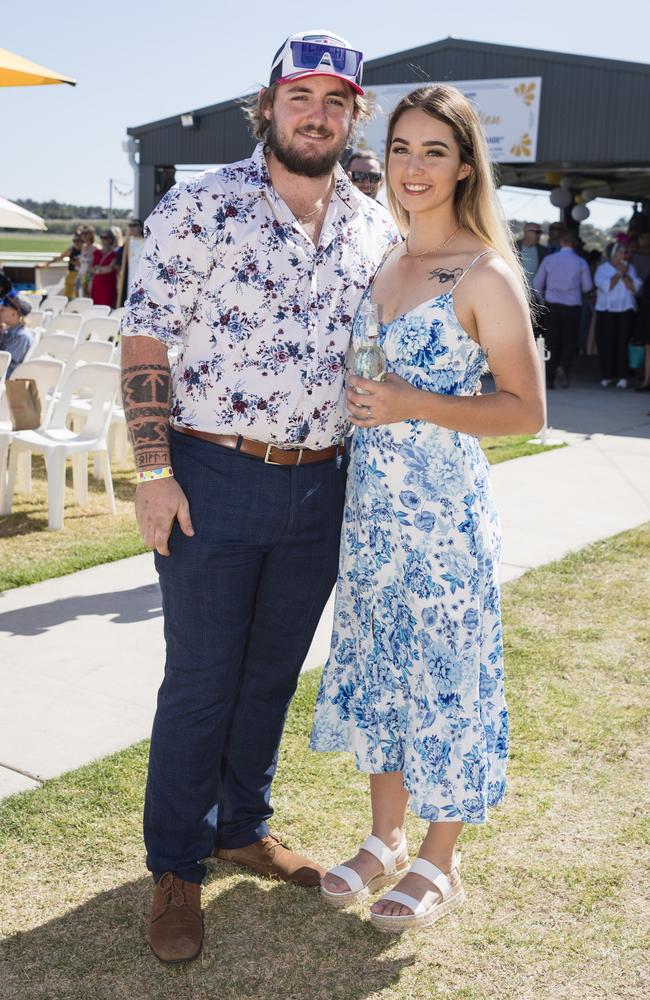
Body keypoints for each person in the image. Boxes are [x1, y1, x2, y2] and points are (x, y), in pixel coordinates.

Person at [119, 28, 399, 964]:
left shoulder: (375, 226)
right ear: (268, 105)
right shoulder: (197, 208)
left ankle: (243, 825)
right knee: (201, 678)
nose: (315, 115)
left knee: (273, 671)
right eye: (300, 96)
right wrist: (154, 474)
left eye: (335, 102)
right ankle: (177, 864)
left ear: (352, 115)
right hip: (212, 474)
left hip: (323, 484)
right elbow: (147, 341)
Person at [311, 83, 544, 933]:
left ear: (465, 165)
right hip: (371, 511)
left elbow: (526, 411)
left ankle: (438, 861)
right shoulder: (384, 259)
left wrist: (418, 403)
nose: (413, 167)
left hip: (445, 517)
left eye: (433, 151)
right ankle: (384, 836)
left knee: (447, 677)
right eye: (401, 149)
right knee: (379, 666)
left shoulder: (487, 274)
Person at [533, 229, 593, 388]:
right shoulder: (581, 262)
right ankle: (563, 367)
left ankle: (549, 379)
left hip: (552, 305)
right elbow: (587, 287)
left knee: (552, 341)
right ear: (574, 245)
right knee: (569, 341)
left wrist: (543, 300)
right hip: (572, 306)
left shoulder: (549, 259)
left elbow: (537, 284)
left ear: (561, 243)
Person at [594, 241, 642, 388]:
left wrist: (625, 273)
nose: (625, 256)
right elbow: (606, 287)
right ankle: (607, 376)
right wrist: (619, 273)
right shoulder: (602, 269)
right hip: (606, 312)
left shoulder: (630, 269)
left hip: (625, 311)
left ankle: (623, 376)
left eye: (625, 253)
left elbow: (634, 288)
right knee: (607, 344)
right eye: (622, 253)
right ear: (614, 254)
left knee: (623, 344)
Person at [0, 292, 34, 376]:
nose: (1, 308)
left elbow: (4, 364)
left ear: (14, 313)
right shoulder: (8, 331)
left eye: (5, 305)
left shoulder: (21, 336)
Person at [46, 231, 83, 299]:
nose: (76, 243)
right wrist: (48, 263)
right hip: (71, 273)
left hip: (81, 275)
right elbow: (61, 257)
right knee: (68, 293)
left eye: (78, 241)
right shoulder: (71, 249)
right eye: (74, 241)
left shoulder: (86, 250)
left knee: (79, 293)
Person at [90, 230, 119, 308]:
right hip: (96, 284)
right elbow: (90, 268)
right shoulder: (96, 253)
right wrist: (101, 270)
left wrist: (97, 269)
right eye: (101, 237)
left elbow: (109, 269)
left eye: (105, 237)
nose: (103, 239)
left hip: (108, 285)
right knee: (95, 306)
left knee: (107, 306)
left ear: (110, 239)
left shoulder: (114, 254)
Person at [515, 221, 548, 285]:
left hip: (535, 292)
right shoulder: (512, 248)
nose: (539, 235)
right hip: (516, 289)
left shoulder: (544, 251)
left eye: (540, 232)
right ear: (526, 232)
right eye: (537, 232)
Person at [78, 225, 99, 297]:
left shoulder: (96, 248)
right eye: (82, 233)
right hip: (82, 275)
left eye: (86, 233)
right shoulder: (83, 247)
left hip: (91, 276)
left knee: (90, 296)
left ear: (91, 234)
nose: (83, 235)